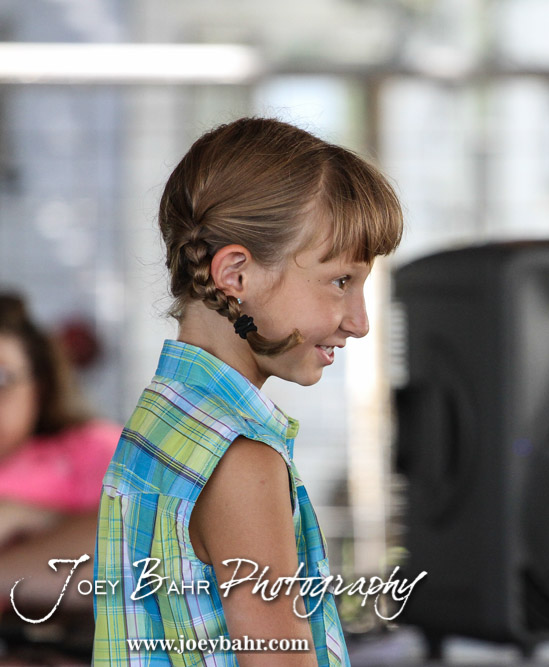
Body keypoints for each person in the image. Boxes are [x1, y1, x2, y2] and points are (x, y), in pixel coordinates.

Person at [92, 117, 403, 666]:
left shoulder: (161, 419)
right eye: (340, 281)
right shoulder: (241, 458)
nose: (359, 322)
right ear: (236, 275)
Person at [0, 293, 119, 622]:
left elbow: (155, 542)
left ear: (39, 387)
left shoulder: (94, 449)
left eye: (2, 378)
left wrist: (30, 517)